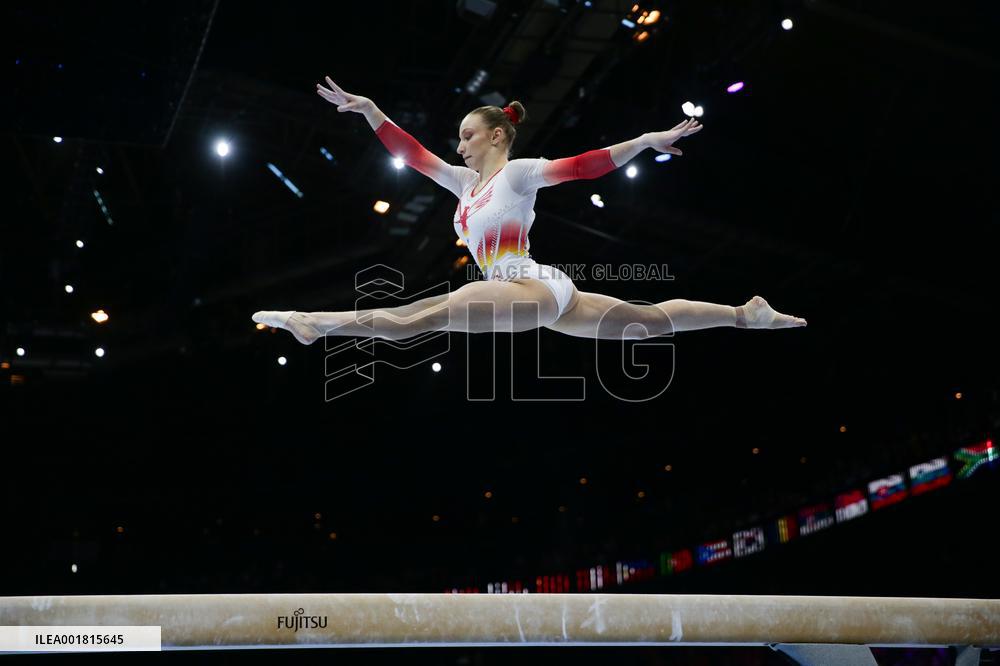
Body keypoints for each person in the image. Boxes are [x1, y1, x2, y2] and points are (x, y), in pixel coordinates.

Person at [252, 76, 807, 345]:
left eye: (469, 136)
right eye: (458, 138)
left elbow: (583, 166)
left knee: (428, 315)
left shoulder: (516, 173)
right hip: (539, 287)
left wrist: (643, 140)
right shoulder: (464, 184)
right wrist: (370, 110)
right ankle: (745, 314)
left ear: (497, 135)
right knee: (648, 325)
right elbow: (412, 154)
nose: (460, 145)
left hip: (532, 287)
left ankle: (315, 324)